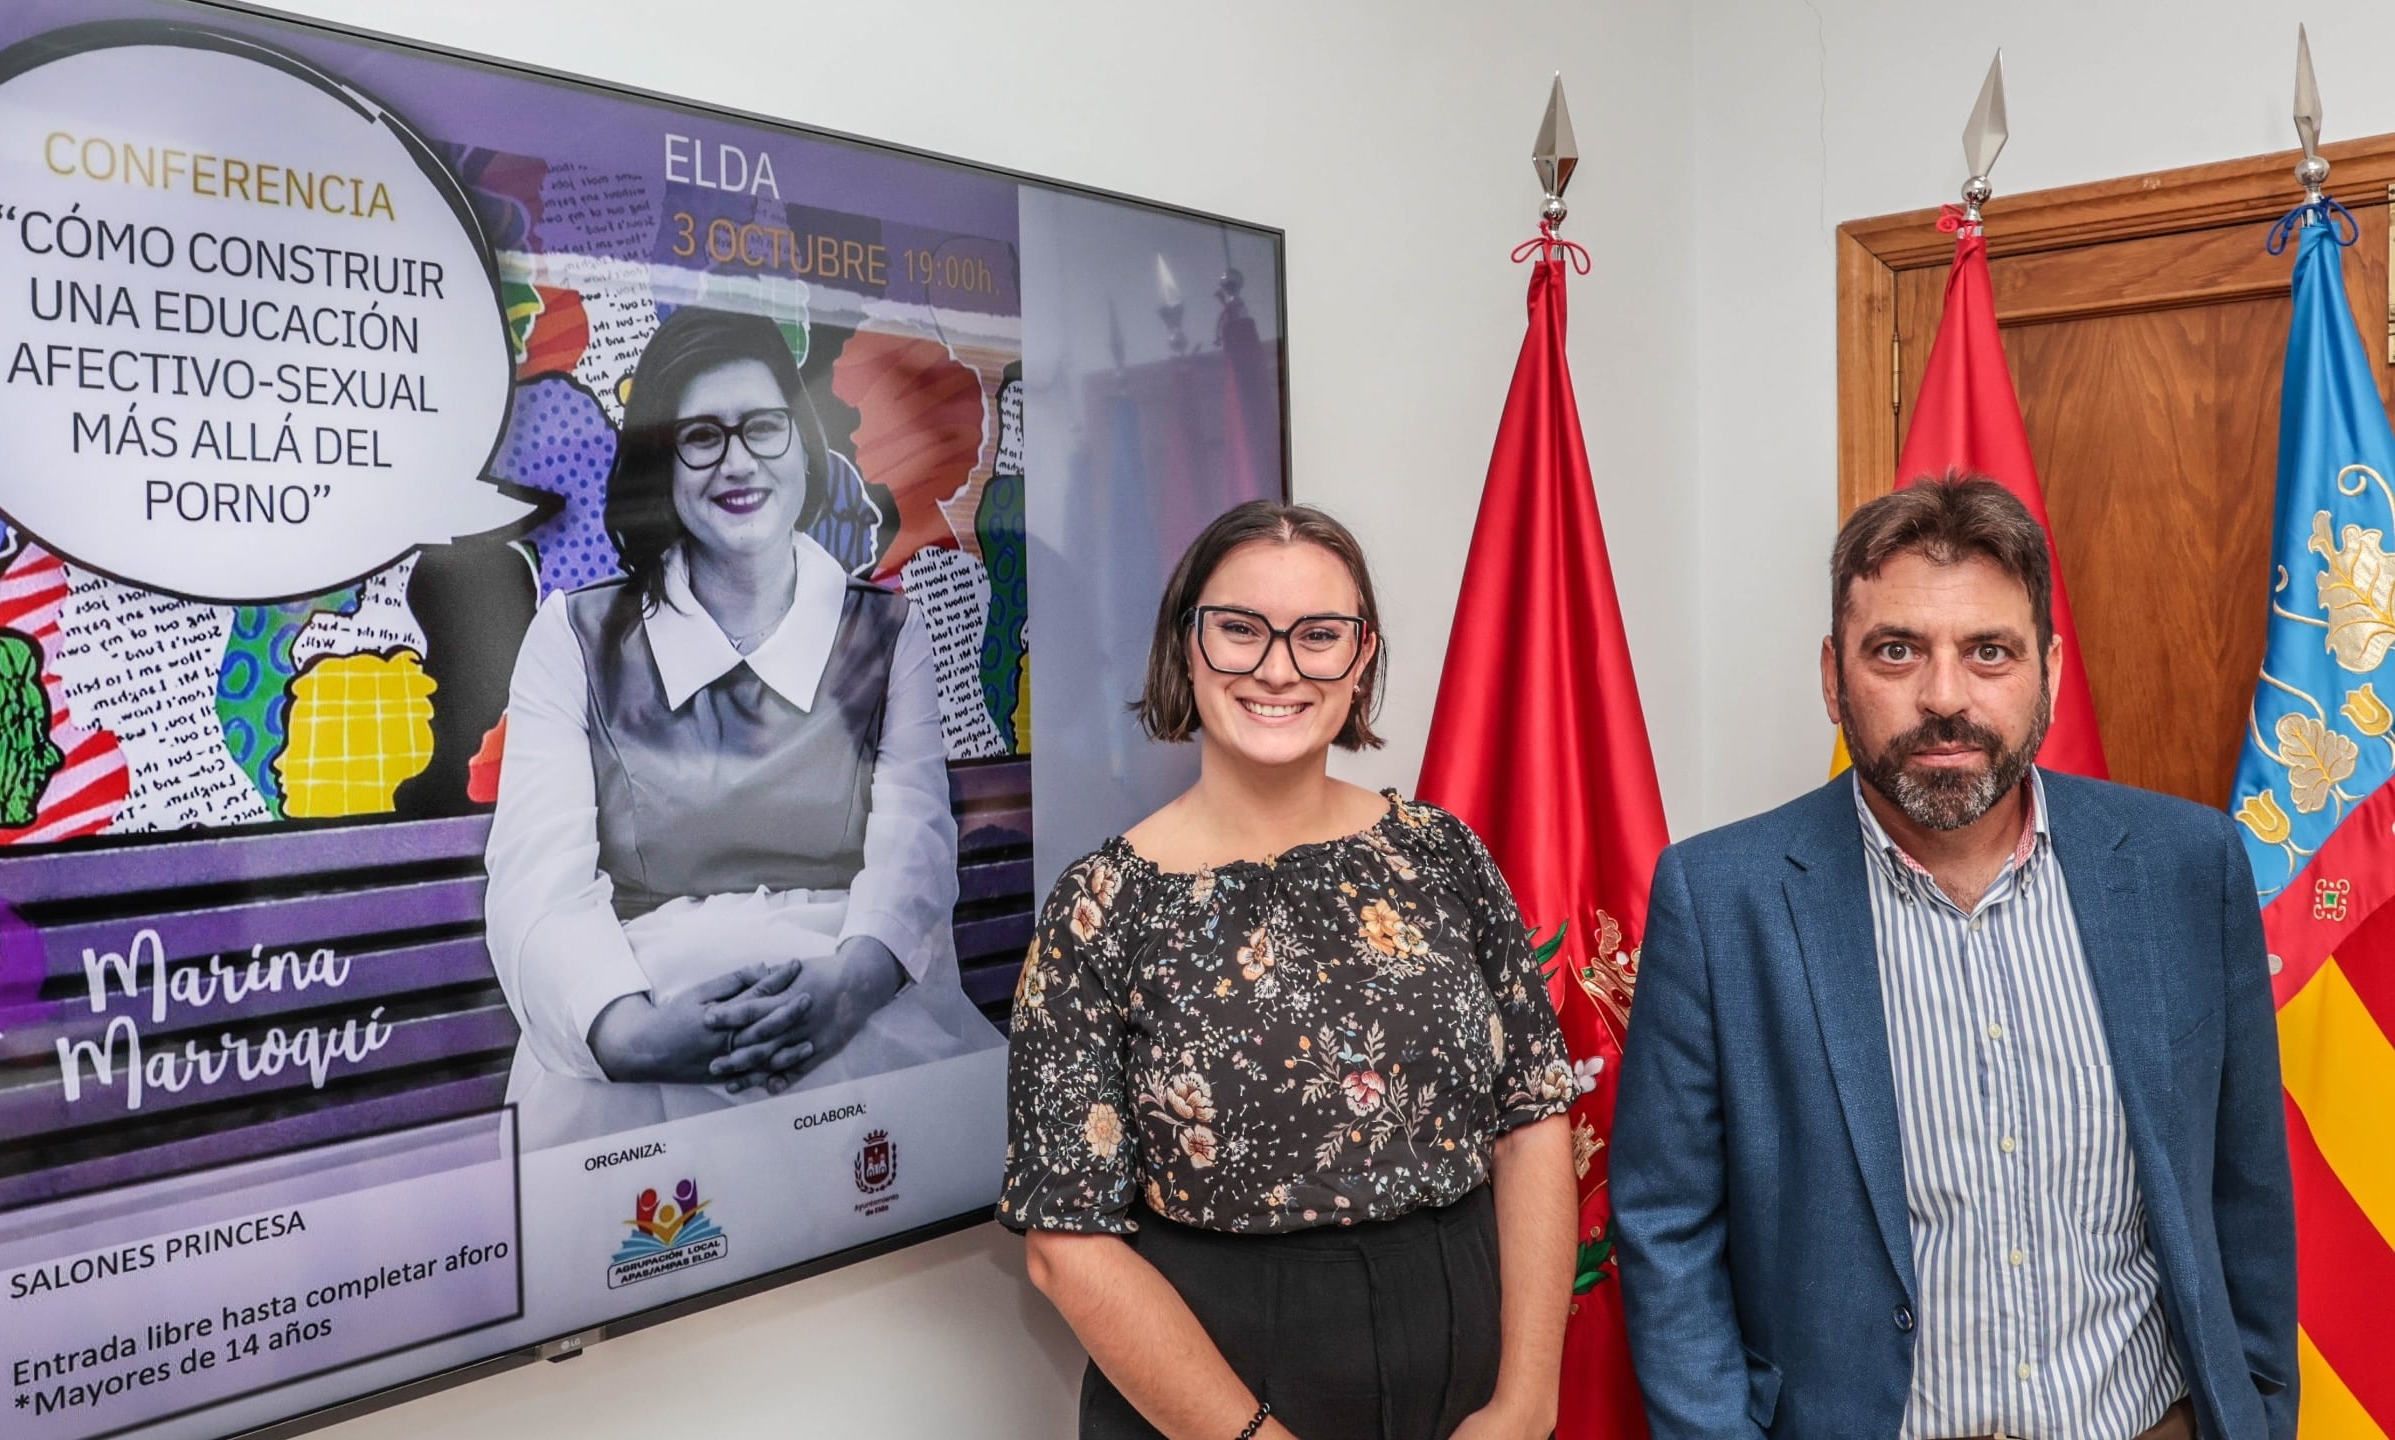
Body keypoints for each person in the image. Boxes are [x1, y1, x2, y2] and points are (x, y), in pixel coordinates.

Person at [1610, 475, 2296, 1440]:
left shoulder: (2187, 868)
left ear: (2048, 671)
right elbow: (1667, 1230)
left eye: (1989, 652)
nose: (1944, 697)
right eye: (1896, 651)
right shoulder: (1722, 900)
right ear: (1831, 674)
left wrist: (2261, 1413)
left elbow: (2246, 1187)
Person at [1002, 500, 1581, 1440]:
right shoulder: (1100, 910)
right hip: (1223, 1400)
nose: (1278, 667)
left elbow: (1532, 1119)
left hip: (1477, 1392)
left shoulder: (1441, 854)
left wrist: (1525, 1405)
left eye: (1319, 636)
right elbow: (1065, 1244)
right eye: (1239, 630)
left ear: (1363, 657)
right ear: (1184, 646)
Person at [484, 303, 985, 1151]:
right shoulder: (572, 637)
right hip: (644, 1012)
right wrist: (631, 1036)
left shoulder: (890, 636)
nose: (738, 462)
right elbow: (538, 882)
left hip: (855, 1005)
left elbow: (914, 848)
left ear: (802, 442)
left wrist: (848, 991)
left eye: (763, 428)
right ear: (661, 465)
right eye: (701, 438)